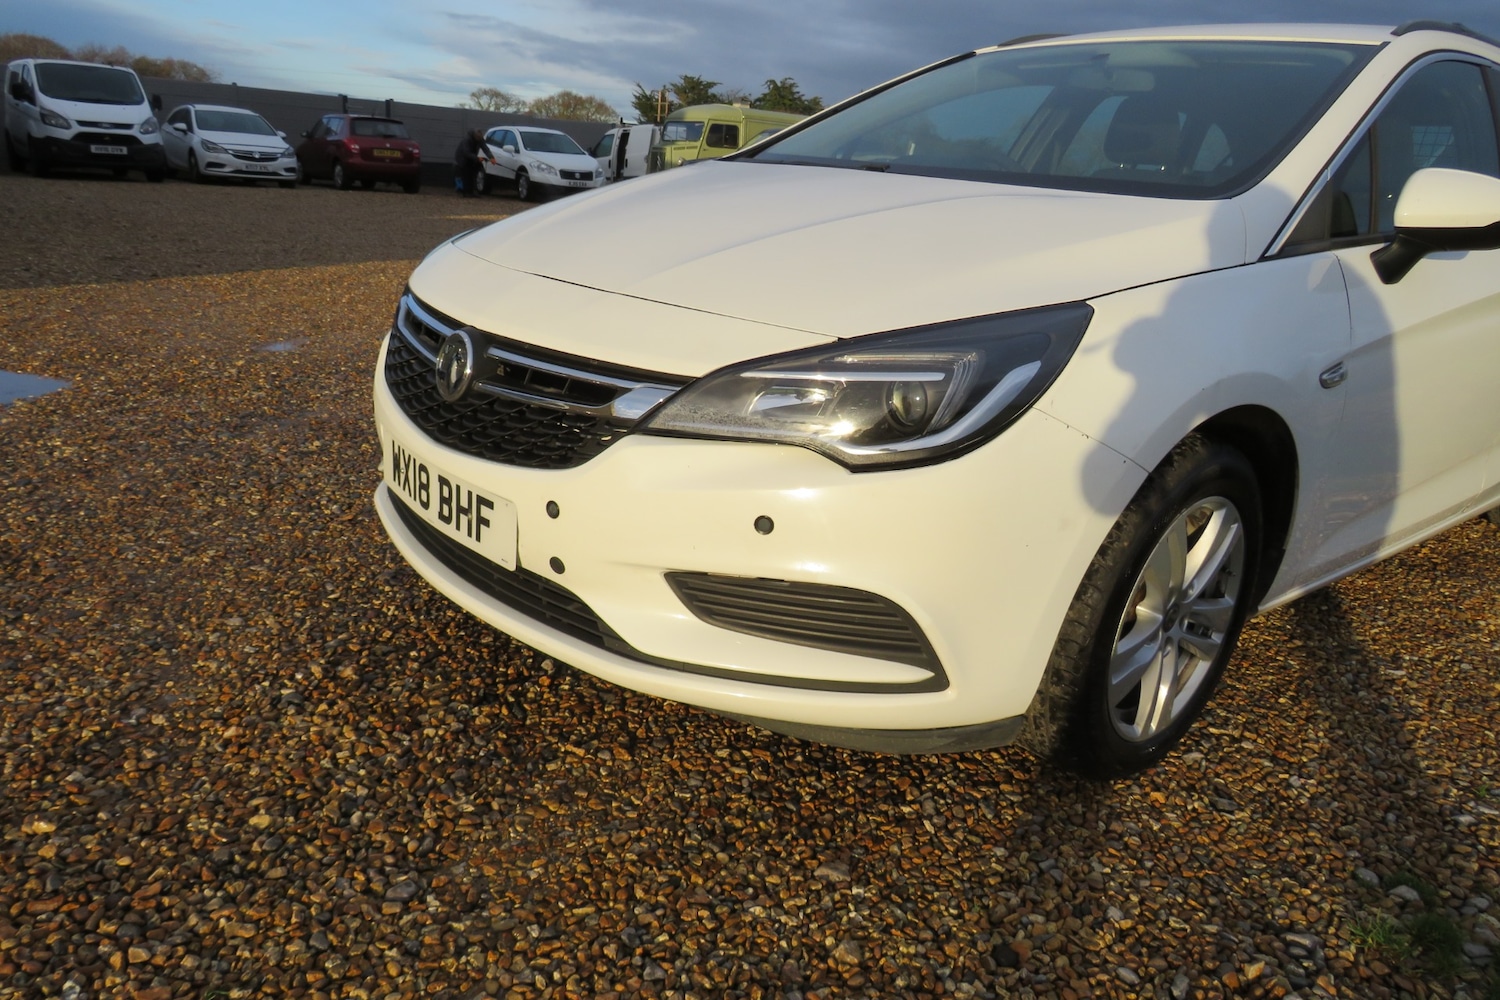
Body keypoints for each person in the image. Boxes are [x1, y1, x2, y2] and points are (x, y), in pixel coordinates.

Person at [453, 129, 491, 197]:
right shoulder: (467, 140)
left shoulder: (480, 139)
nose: (479, 140)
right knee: (466, 174)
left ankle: (471, 191)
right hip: (462, 158)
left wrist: (491, 157)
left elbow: (485, 148)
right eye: (478, 138)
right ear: (475, 136)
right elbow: (466, 153)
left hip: (472, 158)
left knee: (472, 174)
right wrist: (477, 158)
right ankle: (466, 192)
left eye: (480, 138)